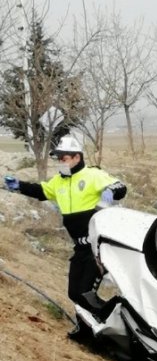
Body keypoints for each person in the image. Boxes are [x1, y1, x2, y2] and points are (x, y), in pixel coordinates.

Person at [4, 135, 127, 340]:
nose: (61, 162)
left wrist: (109, 192)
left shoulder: (91, 175)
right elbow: (41, 190)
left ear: (77, 157)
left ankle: (116, 327)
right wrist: (16, 185)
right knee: (74, 292)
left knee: (85, 293)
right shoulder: (59, 181)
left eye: (65, 157)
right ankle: (91, 329)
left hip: (96, 248)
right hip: (79, 248)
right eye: (59, 158)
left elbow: (119, 186)